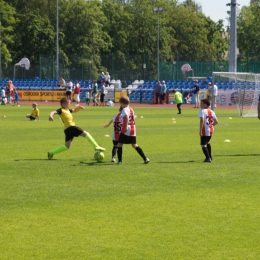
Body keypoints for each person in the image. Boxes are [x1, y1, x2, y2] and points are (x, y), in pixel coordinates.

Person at [117, 96, 149, 165]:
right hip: (133, 128)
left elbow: (126, 117)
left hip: (127, 129)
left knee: (119, 144)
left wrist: (124, 126)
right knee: (134, 145)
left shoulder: (124, 109)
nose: (120, 105)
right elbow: (132, 119)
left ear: (122, 103)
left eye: (120, 103)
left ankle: (120, 161)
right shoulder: (131, 109)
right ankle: (145, 158)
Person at [199, 98, 218, 163]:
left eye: (201, 103)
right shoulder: (212, 111)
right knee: (207, 142)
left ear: (205, 104)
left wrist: (200, 130)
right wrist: (211, 126)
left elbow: (202, 120)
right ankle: (210, 157)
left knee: (203, 145)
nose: (200, 105)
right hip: (211, 130)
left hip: (205, 130)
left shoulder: (202, 111)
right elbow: (216, 122)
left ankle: (208, 158)